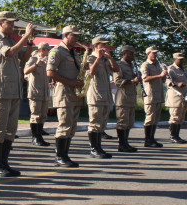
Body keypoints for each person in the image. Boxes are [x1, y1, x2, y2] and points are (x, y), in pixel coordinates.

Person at [0, 12, 34, 177]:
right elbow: (10, 53)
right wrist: (25, 35)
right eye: (10, 22)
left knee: (11, 130)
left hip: (14, 90)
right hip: (1, 90)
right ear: (1, 23)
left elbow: (23, 57)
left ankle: (4, 163)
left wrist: (29, 43)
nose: (13, 25)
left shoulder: (12, 39)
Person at [47, 25, 84, 167]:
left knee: (71, 127)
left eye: (77, 36)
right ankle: (59, 157)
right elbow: (50, 72)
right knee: (64, 125)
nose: (76, 38)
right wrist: (70, 82)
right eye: (74, 35)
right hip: (64, 93)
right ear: (66, 35)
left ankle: (65, 155)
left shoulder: (74, 53)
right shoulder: (57, 51)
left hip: (75, 94)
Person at [85, 36, 119, 158]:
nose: (105, 47)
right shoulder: (90, 58)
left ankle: (99, 147)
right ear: (95, 46)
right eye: (102, 44)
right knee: (95, 122)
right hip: (96, 95)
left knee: (102, 123)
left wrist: (110, 58)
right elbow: (91, 72)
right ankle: (94, 149)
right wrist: (98, 58)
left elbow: (116, 69)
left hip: (106, 95)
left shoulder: (106, 59)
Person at [166, 52, 187, 143]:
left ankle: (177, 135)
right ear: (175, 59)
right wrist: (177, 83)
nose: (182, 61)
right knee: (175, 117)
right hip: (176, 97)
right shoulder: (171, 69)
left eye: (182, 59)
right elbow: (168, 81)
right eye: (180, 59)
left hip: (185, 97)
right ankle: (173, 136)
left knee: (181, 118)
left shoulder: (184, 70)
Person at [113, 45, 140, 152]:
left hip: (131, 97)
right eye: (131, 54)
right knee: (122, 122)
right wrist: (133, 81)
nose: (133, 56)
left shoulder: (131, 66)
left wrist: (136, 78)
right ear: (125, 53)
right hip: (123, 98)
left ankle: (126, 143)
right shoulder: (119, 65)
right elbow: (118, 81)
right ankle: (121, 145)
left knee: (129, 122)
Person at [24, 42, 52, 147]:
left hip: (45, 92)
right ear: (42, 50)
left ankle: (40, 136)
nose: (48, 52)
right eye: (47, 50)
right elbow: (25, 71)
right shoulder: (33, 59)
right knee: (35, 115)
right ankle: (35, 137)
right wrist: (36, 64)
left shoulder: (48, 61)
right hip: (35, 92)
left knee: (43, 116)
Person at [141, 46, 167, 148]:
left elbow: (163, 80)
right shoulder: (146, 65)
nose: (156, 55)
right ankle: (147, 140)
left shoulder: (158, 65)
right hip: (150, 95)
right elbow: (145, 78)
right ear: (148, 53)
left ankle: (152, 138)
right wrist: (159, 75)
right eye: (154, 53)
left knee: (156, 118)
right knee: (150, 118)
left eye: (156, 53)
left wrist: (164, 74)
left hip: (158, 94)